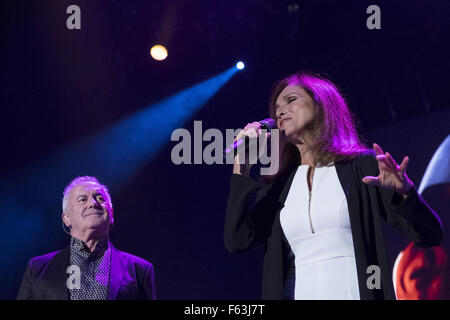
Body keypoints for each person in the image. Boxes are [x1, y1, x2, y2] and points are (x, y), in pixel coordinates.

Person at [224, 72, 443, 300]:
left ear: (320, 105)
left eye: (291, 100)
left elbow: (430, 235)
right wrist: (242, 163)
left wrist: (405, 192)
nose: (280, 111)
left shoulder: (362, 166)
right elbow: (237, 240)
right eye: (277, 108)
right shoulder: (281, 186)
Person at [17, 176, 157, 300]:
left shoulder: (139, 270)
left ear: (111, 214)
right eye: (82, 199)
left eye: (100, 198)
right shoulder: (37, 269)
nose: (93, 203)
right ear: (66, 218)